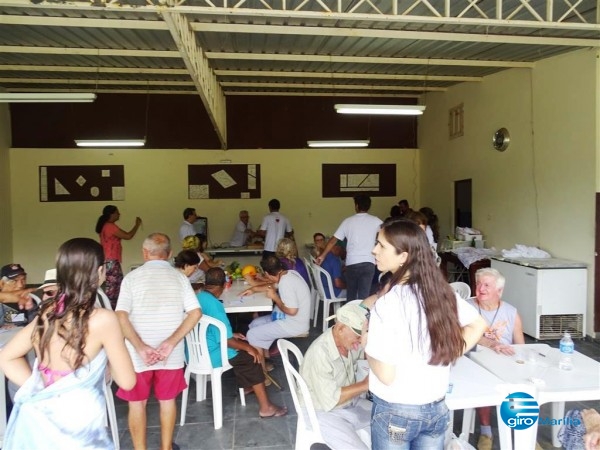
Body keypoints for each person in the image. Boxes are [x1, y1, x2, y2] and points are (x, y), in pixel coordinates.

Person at [0, 238, 136, 449]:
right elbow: (127, 382)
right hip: (78, 423)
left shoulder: (48, 312)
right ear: (100, 272)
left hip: (42, 423)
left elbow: (6, 356)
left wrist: (41, 391)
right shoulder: (104, 319)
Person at [364, 219, 487, 449]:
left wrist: (366, 344)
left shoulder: (388, 304)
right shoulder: (441, 292)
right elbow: (477, 325)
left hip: (396, 411)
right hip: (436, 407)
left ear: (403, 256)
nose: (374, 250)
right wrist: (451, 351)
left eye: (381, 245)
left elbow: (386, 375)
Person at [115, 233, 201, 450]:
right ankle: (165, 448)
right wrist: (170, 343)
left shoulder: (131, 278)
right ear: (170, 254)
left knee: (137, 403)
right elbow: (195, 313)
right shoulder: (179, 278)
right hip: (169, 354)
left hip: (137, 355)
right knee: (167, 401)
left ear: (145, 253)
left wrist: (140, 347)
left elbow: (120, 315)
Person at [197, 267, 287, 418]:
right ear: (223, 285)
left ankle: (249, 386)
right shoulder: (216, 306)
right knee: (252, 357)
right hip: (212, 353)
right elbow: (227, 341)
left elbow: (214, 328)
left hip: (197, 349)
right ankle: (266, 407)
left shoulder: (199, 297)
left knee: (243, 346)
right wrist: (249, 348)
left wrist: (232, 334)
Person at [467, 267, 525, 450]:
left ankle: (523, 430)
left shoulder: (511, 312)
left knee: (522, 387)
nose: (481, 288)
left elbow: (521, 347)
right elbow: (462, 335)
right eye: (478, 284)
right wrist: (492, 345)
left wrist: (519, 366)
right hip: (474, 361)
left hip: (504, 363)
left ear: (499, 291)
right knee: (483, 384)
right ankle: (486, 432)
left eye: (486, 285)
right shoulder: (467, 308)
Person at [301, 303, 371, 449]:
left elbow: (364, 355)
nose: (360, 341)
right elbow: (331, 399)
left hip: (349, 403)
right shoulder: (320, 353)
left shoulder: (349, 342)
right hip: (322, 411)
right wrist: (365, 385)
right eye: (358, 336)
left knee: (389, 422)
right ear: (340, 329)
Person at [244, 255, 310, 363]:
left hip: (294, 324)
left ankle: (262, 376)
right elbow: (273, 286)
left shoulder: (286, 282)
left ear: (266, 273)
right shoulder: (288, 274)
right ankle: (266, 360)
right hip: (287, 318)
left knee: (252, 334)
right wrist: (254, 289)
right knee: (255, 323)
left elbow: (292, 311)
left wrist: (275, 297)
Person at [316, 194, 382, 301]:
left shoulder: (348, 221)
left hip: (352, 263)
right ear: (369, 206)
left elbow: (333, 240)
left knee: (351, 294)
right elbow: (388, 236)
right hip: (369, 263)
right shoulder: (377, 221)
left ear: (356, 206)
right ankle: (362, 316)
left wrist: (323, 255)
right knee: (363, 295)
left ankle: (349, 316)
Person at [95, 205, 142, 309]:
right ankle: (111, 311)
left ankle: (113, 309)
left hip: (108, 259)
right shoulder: (110, 226)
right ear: (111, 214)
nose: (119, 214)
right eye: (117, 212)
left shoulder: (105, 226)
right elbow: (128, 236)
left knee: (115, 286)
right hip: (111, 260)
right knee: (113, 288)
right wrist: (137, 225)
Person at [313, 233, 346, 298]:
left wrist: (342, 269)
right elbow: (338, 284)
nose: (342, 252)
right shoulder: (334, 259)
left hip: (323, 290)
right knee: (355, 292)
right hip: (334, 292)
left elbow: (329, 271)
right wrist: (349, 286)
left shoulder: (322, 256)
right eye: (342, 249)